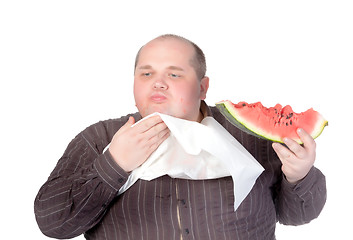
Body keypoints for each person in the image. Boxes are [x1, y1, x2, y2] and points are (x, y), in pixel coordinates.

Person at [34, 34, 326, 240]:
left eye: (174, 74)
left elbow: (296, 216)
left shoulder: (250, 136)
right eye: (146, 74)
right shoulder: (98, 139)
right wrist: (114, 164)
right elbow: (54, 224)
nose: (158, 83)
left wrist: (299, 177)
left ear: (202, 87)